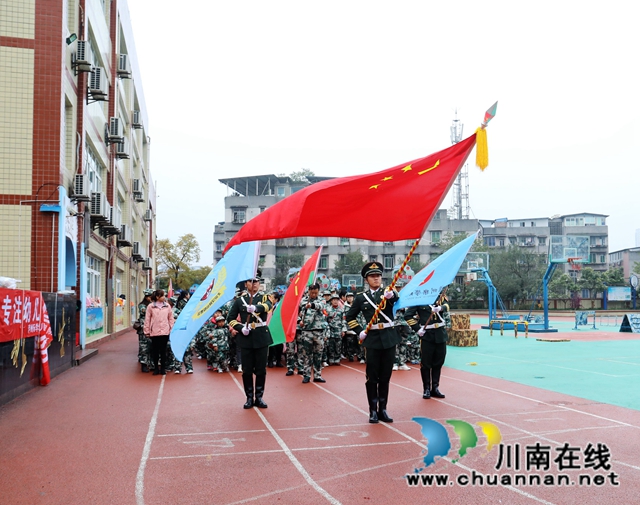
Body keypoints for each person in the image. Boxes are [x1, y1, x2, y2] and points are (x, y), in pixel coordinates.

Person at [346, 262, 400, 424]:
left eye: (378, 276)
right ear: (366, 279)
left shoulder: (388, 293)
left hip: (389, 337)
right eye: (372, 276)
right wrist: (359, 331)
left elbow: (398, 299)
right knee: (372, 377)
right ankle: (373, 410)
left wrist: (393, 296)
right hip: (372, 340)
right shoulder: (361, 298)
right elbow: (350, 317)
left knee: (385, 376)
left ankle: (383, 409)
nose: (376, 278)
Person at [226, 272, 273, 409]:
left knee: (260, 369)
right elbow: (231, 318)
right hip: (246, 337)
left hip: (261, 336)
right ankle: (249, 398)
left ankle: (259, 397)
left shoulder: (264, 297)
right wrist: (240, 328)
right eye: (252, 281)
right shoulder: (240, 300)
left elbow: (268, 306)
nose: (255, 284)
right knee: (246, 370)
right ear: (246, 283)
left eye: (257, 281)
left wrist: (256, 308)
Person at [405, 291, 451, 399]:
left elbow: (447, 305)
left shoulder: (440, 296)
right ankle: (426, 389)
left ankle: (435, 387)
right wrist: (417, 329)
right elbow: (408, 315)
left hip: (440, 333)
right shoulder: (419, 298)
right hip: (427, 334)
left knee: (438, 362)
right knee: (426, 363)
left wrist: (441, 308)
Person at [298, 283, 327, 383]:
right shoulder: (303, 300)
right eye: (312, 292)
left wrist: (312, 305)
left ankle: (317, 375)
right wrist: (299, 321)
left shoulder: (321, 299)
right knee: (306, 354)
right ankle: (306, 375)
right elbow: (298, 313)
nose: (313, 294)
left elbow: (321, 306)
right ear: (308, 291)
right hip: (306, 331)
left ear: (318, 291)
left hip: (318, 331)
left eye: (315, 292)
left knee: (318, 354)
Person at [144, 289, 175, 376]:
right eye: (162, 296)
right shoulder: (151, 306)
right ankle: (156, 369)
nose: (164, 297)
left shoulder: (167, 306)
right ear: (157, 297)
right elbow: (147, 319)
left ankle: (163, 369)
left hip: (165, 331)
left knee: (163, 351)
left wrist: (171, 329)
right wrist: (147, 330)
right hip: (155, 331)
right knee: (155, 351)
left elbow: (170, 318)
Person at [325, 293, 346, 365]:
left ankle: (337, 359)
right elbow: (325, 320)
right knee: (331, 345)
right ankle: (331, 358)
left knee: (338, 345)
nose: (335, 301)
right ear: (331, 301)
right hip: (330, 330)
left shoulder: (341, 309)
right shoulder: (327, 309)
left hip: (338, 330)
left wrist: (343, 330)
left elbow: (343, 320)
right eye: (334, 300)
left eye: (337, 300)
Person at [137, 289, 154, 372]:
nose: (150, 298)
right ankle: (143, 364)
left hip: (152, 328)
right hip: (144, 329)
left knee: (151, 347)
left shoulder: (152, 304)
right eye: (149, 297)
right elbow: (145, 312)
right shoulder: (142, 305)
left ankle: (151, 364)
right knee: (144, 347)